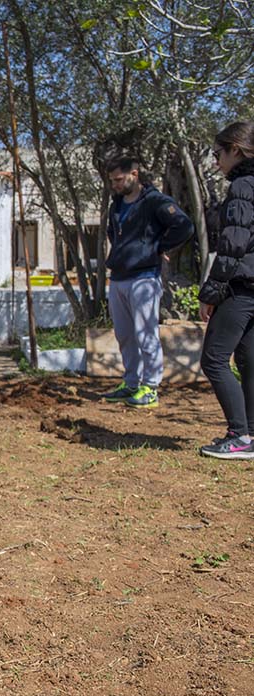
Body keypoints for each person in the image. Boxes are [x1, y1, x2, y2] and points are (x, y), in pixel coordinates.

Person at [101, 158, 194, 409]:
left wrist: (159, 247)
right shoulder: (116, 205)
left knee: (146, 333)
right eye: (112, 181)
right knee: (124, 335)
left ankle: (150, 387)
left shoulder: (155, 201)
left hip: (144, 277)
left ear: (134, 174)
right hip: (119, 276)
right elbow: (113, 232)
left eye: (119, 180)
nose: (115, 185)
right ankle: (131, 382)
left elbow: (184, 226)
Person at [198, 122, 254, 459]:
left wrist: (211, 293)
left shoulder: (243, 186)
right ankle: (250, 435)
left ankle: (239, 434)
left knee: (214, 359)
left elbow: (234, 243)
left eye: (218, 153)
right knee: (249, 359)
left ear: (236, 148)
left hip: (241, 286)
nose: (216, 161)